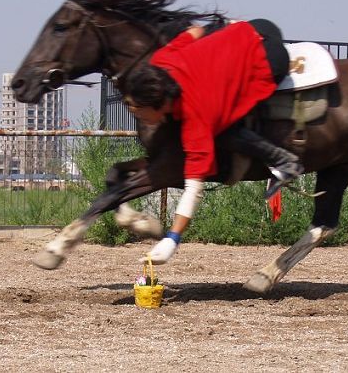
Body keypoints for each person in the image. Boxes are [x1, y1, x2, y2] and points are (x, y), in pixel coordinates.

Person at [122, 19, 303, 264]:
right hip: (255, 27)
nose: (136, 115)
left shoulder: (198, 116)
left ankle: (283, 161)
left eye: (139, 111)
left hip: (271, 57)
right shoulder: (161, 61)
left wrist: (173, 238)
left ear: (161, 104)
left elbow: (194, 189)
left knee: (226, 131)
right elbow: (194, 31)